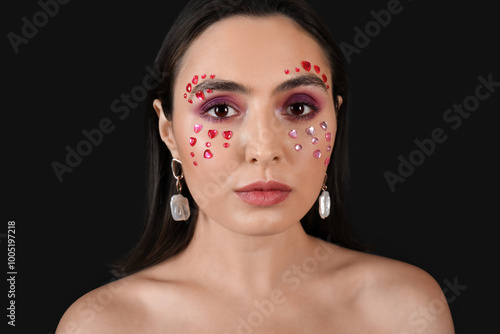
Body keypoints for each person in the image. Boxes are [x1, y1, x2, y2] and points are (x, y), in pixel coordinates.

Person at [56, 0, 454, 332]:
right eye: (221, 109)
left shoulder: (404, 310)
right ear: (169, 130)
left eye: (299, 108)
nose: (264, 149)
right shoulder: (103, 325)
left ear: (335, 119)